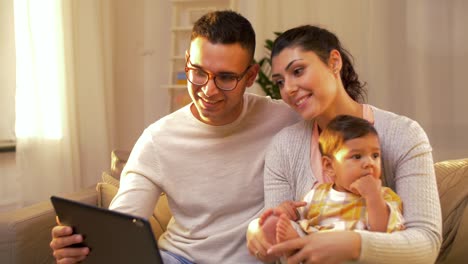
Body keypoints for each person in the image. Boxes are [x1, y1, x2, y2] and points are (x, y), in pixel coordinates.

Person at [50, 10, 300, 264]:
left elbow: (338, 125)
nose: (208, 90)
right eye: (199, 72)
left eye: (226, 77)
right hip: (176, 259)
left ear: (250, 76)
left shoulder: (285, 118)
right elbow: (123, 224)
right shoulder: (158, 139)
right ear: (187, 63)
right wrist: (81, 247)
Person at [246, 25, 442, 263]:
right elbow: (281, 245)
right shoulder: (284, 147)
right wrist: (261, 228)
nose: (288, 89)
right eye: (279, 82)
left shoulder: (404, 135)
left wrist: (354, 245)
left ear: (334, 62)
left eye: (298, 71)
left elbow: (426, 244)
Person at [259, 115, 405, 254]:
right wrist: (287, 211)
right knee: (298, 229)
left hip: (359, 256)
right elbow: (301, 217)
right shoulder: (317, 195)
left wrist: (373, 196)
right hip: (319, 254)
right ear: (329, 166)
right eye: (357, 156)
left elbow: (382, 235)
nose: (369, 163)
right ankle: (290, 240)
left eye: (375, 155)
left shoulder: (385, 196)